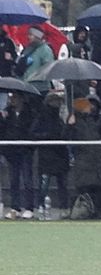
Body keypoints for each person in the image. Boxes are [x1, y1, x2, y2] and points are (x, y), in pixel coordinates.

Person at [64, 97, 101, 218]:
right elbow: (65, 136)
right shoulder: (75, 120)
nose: (91, 107)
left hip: (98, 157)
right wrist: (69, 125)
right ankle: (83, 209)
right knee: (83, 184)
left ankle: (100, 210)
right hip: (83, 157)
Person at [29, 93, 70, 219]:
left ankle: (64, 207)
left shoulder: (60, 118)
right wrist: (48, 136)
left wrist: (68, 126)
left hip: (60, 154)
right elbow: (33, 133)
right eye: (57, 102)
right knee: (44, 183)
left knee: (62, 183)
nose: (59, 104)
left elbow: (64, 135)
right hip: (47, 155)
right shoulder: (42, 117)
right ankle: (41, 206)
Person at [1, 91, 37, 219]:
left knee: (27, 180)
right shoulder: (6, 113)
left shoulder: (30, 113)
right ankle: (15, 208)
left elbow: (32, 131)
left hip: (25, 151)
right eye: (11, 97)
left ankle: (29, 207)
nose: (12, 100)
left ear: (21, 99)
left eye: (15, 97)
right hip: (11, 152)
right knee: (13, 180)